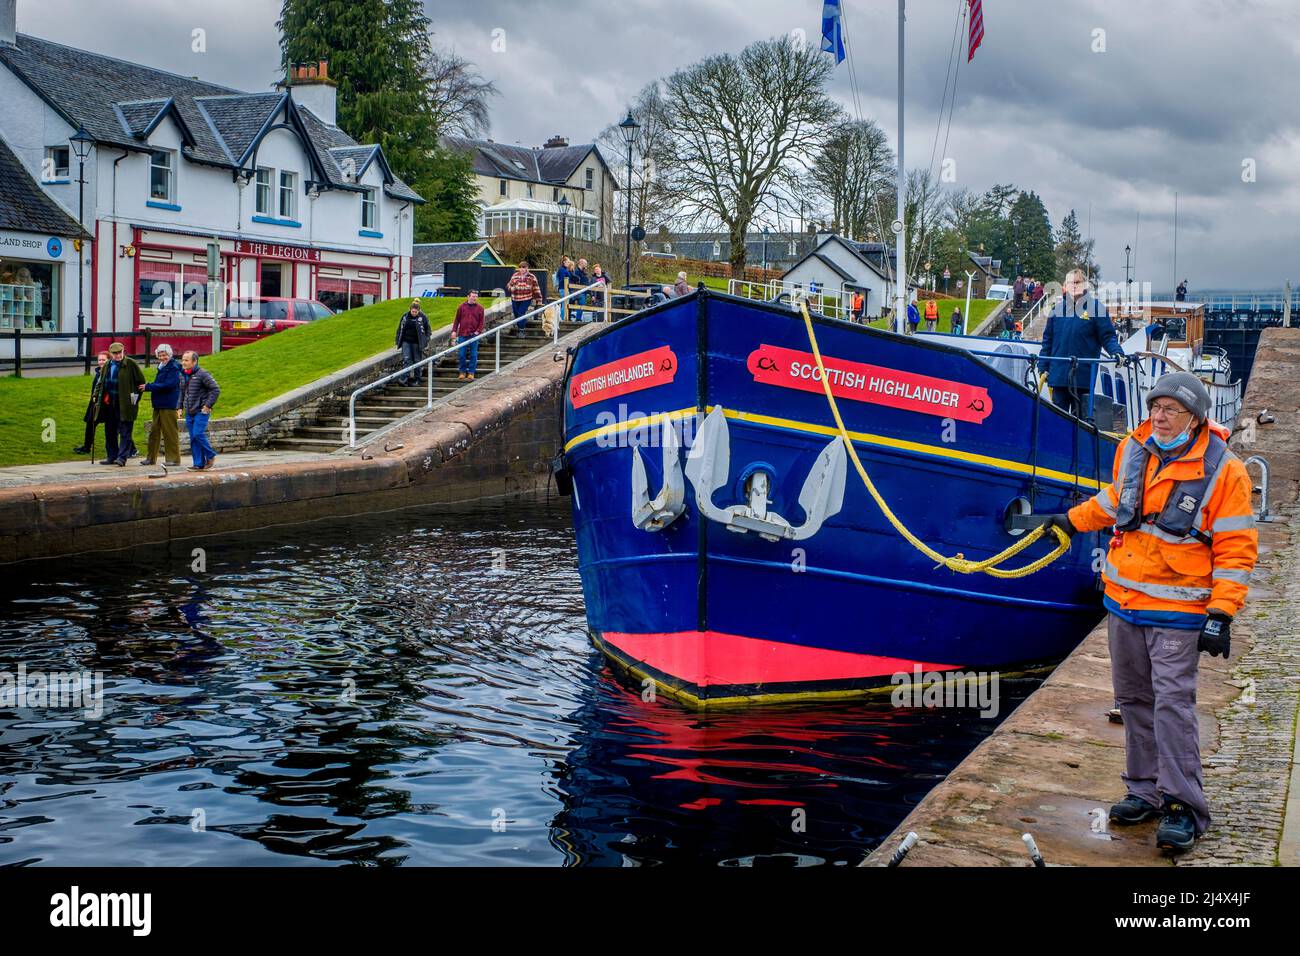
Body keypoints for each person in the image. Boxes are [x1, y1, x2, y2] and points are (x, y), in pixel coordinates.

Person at [1039, 372, 1257, 853]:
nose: (1159, 416)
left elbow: (1237, 547)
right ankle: (1145, 790)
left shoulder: (1227, 471)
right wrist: (1070, 521)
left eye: (1171, 410)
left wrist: (1221, 613)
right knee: (1134, 702)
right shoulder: (1133, 448)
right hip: (1125, 604)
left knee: (1173, 708)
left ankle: (1183, 807)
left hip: (1179, 612)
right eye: (1155, 406)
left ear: (1196, 418)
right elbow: (1117, 500)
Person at [1040, 268, 1127, 417]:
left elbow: (1107, 336)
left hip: (1083, 378)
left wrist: (1117, 353)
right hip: (1058, 376)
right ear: (1064, 286)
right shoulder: (1056, 310)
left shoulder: (1096, 309)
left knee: (1080, 423)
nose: (1073, 286)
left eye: (1077, 282)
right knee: (1057, 420)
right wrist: (1043, 366)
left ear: (1085, 285)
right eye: (1070, 283)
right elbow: (1048, 340)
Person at [101, 341, 145, 466]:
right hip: (110, 403)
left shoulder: (130, 364)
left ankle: (122, 458)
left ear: (123, 351)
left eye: (119, 353)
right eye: (114, 353)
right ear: (110, 353)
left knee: (125, 431)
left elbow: (141, 383)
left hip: (125, 404)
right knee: (110, 431)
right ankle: (111, 456)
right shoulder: (108, 365)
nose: (118, 356)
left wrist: (134, 399)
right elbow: (102, 382)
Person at [137, 343, 182, 466]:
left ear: (170, 354)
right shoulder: (161, 366)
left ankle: (173, 459)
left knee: (170, 432)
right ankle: (151, 458)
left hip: (169, 404)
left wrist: (149, 386)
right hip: (158, 404)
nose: (163, 357)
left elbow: (169, 384)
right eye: (160, 355)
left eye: (165, 355)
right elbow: (162, 383)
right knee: (154, 432)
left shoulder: (174, 367)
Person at [180, 350, 220, 471]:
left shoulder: (203, 374)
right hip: (189, 411)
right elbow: (181, 393)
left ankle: (210, 455)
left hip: (201, 411)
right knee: (193, 438)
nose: (183, 362)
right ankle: (198, 464)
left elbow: (215, 389)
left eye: (186, 360)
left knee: (198, 434)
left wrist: (208, 405)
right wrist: (179, 407)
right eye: (182, 360)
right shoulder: (182, 374)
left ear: (194, 361)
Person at [73, 351, 109, 456]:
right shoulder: (99, 372)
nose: (101, 362)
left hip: (106, 403)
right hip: (95, 402)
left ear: (108, 360)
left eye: (103, 360)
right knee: (90, 424)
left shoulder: (110, 372)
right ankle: (87, 446)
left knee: (117, 427)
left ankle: (131, 449)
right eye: (99, 360)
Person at [395, 300, 431, 386]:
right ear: (410, 309)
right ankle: (404, 379)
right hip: (406, 341)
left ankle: (417, 379)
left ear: (419, 311)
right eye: (412, 311)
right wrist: (397, 340)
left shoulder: (423, 318)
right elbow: (400, 329)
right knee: (406, 359)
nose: (414, 313)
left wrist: (425, 341)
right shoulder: (405, 316)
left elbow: (428, 330)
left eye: (416, 312)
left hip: (417, 343)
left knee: (417, 360)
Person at [452, 289, 485, 381]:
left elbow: (482, 322)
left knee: (473, 355)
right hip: (462, 334)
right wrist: (454, 331)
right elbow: (456, 320)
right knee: (462, 354)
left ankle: (471, 372)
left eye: (476, 296)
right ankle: (462, 372)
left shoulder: (480, 308)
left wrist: (477, 332)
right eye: (473, 296)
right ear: (468, 296)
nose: (475, 298)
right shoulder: (461, 307)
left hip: (474, 335)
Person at [507, 261, 541, 334]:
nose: (521, 269)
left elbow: (536, 288)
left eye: (523, 267)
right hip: (515, 298)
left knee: (521, 313)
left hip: (526, 298)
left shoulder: (532, 277)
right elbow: (508, 285)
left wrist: (539, 299)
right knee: (516, 314)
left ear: (527, 268)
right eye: (520, 267)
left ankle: (521, 331)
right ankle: (521, 325)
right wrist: (511, 288)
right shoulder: (515, 275)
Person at [555, 256, 574, 321]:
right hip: (563, 289)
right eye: (568, 262)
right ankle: (562, 318)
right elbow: (563, 279)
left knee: (565, 304)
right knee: (564, 304)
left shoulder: (565, 269)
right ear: (564, 262)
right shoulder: (562, 269)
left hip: (564, 288)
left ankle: (562, 318)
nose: (569, 263)